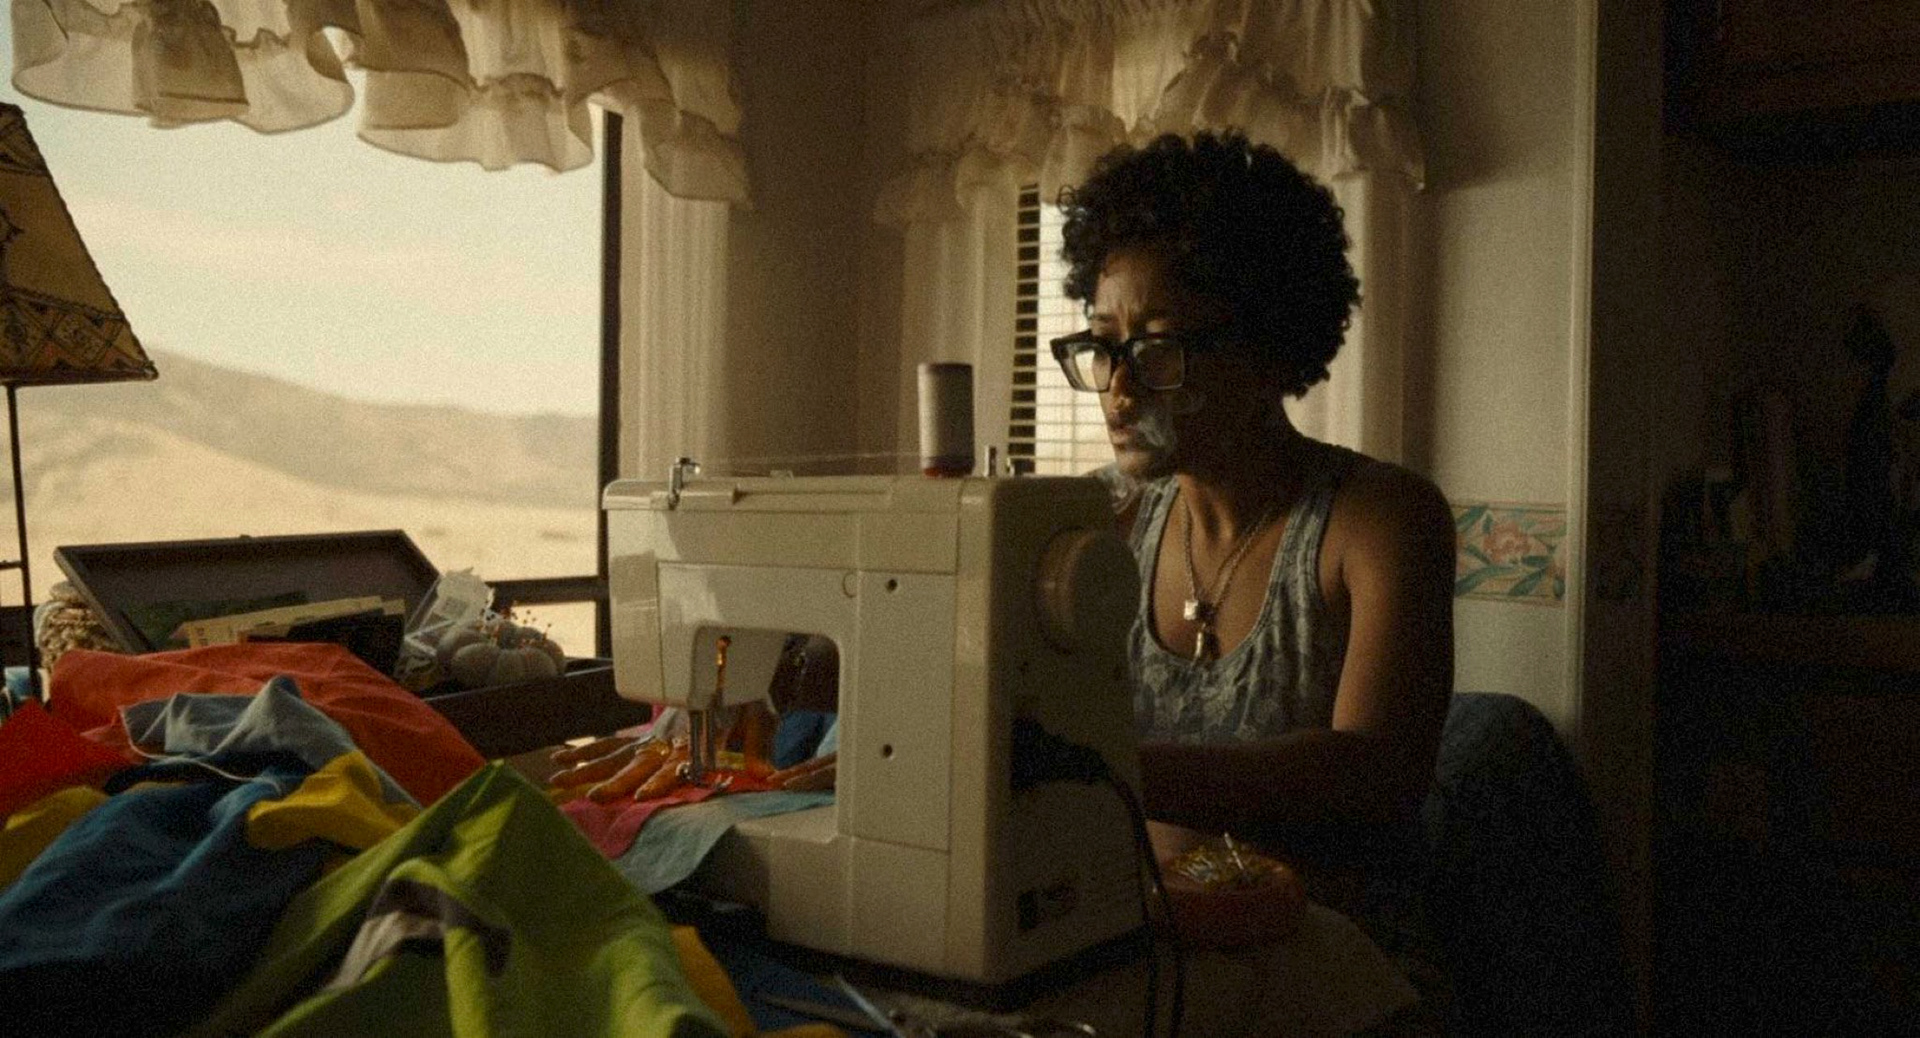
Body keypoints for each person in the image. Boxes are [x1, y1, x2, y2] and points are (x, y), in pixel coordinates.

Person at [1055, 130, 1454, 995]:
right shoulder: (1094, 522)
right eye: (1104, 345)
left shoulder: (1379, 521)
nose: (1118, 388)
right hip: (1157, 951)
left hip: (1337, 969)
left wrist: (1103, 765)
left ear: (1267, 349)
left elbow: (1374, 777)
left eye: (1157, 348)